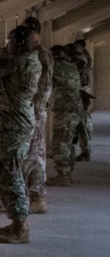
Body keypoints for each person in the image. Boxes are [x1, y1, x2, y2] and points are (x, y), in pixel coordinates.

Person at [0, 25, 40, 244]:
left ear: (17, 44)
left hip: (13, 123)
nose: (6, 45)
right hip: (19, 120)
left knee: (7, 171)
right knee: (11, 169)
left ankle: (20, 225)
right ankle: (18, 221)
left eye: (9, 42)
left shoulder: (17, 63)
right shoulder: (30, 60)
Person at [20, 16, 52, 213]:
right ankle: (34, 196)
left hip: (33, 110)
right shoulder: (41, 53)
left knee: (33, 156)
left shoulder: (38, 54)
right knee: (33, 154)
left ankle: (36, 197)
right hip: (35, 110)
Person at [48, 45, 83, 187]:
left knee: (59, 143)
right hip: (75, 110)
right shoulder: (72, 67)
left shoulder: (56, 68)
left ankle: (63, 175)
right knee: (68, 142)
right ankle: (68, 172)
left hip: (64, 110)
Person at [71, 39, 94, 162]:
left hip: (80, 93)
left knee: (81, 123)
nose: (75, 49)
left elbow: (79, 71)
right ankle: (84, 151)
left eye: (77, 46)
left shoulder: (83, 59)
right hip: (79, 93)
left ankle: (84, 151)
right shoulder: (83, 57)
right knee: (80, 124)